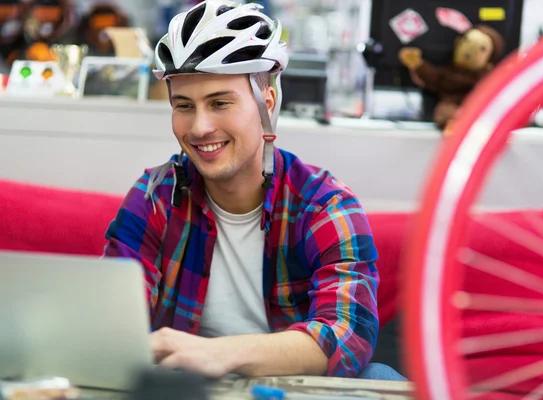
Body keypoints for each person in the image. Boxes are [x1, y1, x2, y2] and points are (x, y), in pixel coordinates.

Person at [103, 0, 404, 381]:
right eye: (184, 106)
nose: (199, 128)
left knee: (381, 377)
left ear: (268, 103)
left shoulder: (325, 205)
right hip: (186, 389)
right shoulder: (155, 196)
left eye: (220, 103)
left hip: (289, 388)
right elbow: (110, 322)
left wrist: (216, 354)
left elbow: (347, 336)